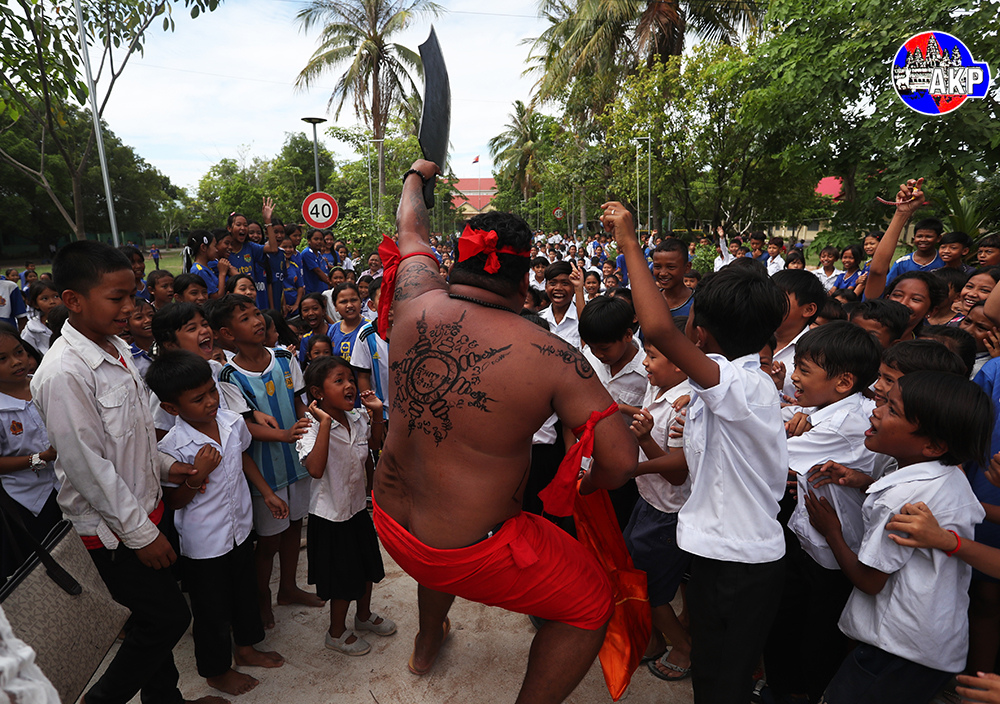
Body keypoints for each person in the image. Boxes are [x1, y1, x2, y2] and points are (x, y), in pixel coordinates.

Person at [372, 161, 637, 700]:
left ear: (456, 263)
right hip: (470, 550)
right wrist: (584, 485)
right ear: (524, 282)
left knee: (438, 547)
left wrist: (414, 177)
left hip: (392, 524)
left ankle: (427, 641)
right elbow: (621, 462)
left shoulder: (414, 295)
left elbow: (411, 228)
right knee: (590, 604)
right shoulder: (554, 356)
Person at [606, 200, 789, 703]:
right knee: (713, 670)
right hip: (721, 554)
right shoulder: (728, 386)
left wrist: (629, 242)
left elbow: (659, 329)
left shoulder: (738, 384)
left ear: (699, 334)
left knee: (722, 681)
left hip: (741, 563)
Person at [31, 241, 218, 704]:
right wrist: (141, 536)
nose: (130, 308)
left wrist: (167, 466)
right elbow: (88, 467)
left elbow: (131, 437)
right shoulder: (64, 373)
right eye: (117, 298)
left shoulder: (116, 349)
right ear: (73, 300)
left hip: (145, 509)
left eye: (132, 296)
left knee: (147, 620)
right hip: (112, 533)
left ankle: (165, 700)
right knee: (167, 619)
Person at [805, 371, 989, 704]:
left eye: (892, 410)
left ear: (932, 445)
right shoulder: (949, 477)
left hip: (896, 649)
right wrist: (865, 481)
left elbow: (870, 581)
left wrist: (832, 532)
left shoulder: (901, 500)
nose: (876, 411)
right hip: (930, 645)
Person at [147, 351, 286, 695]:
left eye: (212, 391)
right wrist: (197, 477)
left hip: (239, 527)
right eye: (198, 399)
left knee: (244, 592)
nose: (211, 401)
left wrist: (267, 493)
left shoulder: (232, 422)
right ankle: (216, 671)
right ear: (171, 408)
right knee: (212, 609)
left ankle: (246, 648)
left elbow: (242, 457)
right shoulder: (172, 447)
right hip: (205, 542)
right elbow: (173, 502)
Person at [761, 322, 882, 704]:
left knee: (816, 634)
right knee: (789, 618)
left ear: (843, 382)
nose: (794, 377)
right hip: (810, 538)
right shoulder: (828, 408)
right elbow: (790, 419)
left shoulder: (846, 424)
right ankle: (785, 688)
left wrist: (791, 432)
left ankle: (804, 693)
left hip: (833, 550)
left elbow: (769, 457)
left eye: (804, 370)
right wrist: (793, 421)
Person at [214, 294, 320, 629]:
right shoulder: (229, 376)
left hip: (296, 462)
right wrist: (286, 435)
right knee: (269, 540)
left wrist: (306, 429)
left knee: (294, 526)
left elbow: (299, 402)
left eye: (256, 313)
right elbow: (243, 426)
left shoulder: (284, 359)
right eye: (245, 318)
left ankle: (288, 588)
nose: (257, 321)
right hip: (264, 470)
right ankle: (263, 597)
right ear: (227, 333)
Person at [298, 356, 394, 655]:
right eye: (339, 381)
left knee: (366, 568)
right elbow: (315, 469)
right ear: (318, 392)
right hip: (330, 517)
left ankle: (363, 617)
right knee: (343, 579)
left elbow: (374, 445)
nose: (349, 385)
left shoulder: (357, 418)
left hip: (356, 509)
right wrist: (325, 423)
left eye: (350, 379)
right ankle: (336, 633)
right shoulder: (310, 427)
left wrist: (376, 413)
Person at [623, 320, 694, 683]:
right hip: (648, 500)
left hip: (667, 512)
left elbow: (678, 473)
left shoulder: (683, 408)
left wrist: (643, 444)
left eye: (651, 356)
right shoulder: (660, 386)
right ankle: (652, 641)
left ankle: (683, 646)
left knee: (653, 591)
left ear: (679, 363)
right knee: (635, 573)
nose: (645, 363)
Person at [0, 326, 58, 581]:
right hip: (29, 499)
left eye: (19, 352)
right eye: (2, 359)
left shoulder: (45, 383)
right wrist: (40, 459)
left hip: (68, 485)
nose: (16, 362)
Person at [771, 270, 827, 400]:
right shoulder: (752, 338)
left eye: (778, 298)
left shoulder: (817, 353)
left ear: (808, 309)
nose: (769, 303)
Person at [224, 202, 280, 311]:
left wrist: (267, 221)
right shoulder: (224, 251)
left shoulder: (250, 247)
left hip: (251, 302)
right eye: (238, 225)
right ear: (229, 228)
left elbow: (273, 248)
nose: (243, 228)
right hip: (233, 304)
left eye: (245, 225)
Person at [885, 217, 945, 285]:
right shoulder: (902, 263)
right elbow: (889, 285)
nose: (923, 240)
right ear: (914, 238)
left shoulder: (944, 261)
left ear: (938, 238)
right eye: (919, 236)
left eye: (928, 236)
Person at [539, 261, 581, 347]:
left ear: (574, 288)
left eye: (565, 283)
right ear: (546, 287)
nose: (558, 288)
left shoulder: (581, 320)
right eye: (553, 283)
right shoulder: (540, 318)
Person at [650, 240, 693, 317]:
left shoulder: (698, 304)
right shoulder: (650, 302)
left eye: (671, 267)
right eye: (657, 267)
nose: (663, 273)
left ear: (687, 267)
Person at [185, 231, 230, 299]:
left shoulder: (206, 268)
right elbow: (217, 298)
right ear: (203, 248)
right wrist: (222, 273)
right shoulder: (200, 271)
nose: (216, 250)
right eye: (214, 246)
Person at [21, 282, 59, 355]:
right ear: (35, 304)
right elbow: (27, 351)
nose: (52, 302)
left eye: (56, 296)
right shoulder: (32, 328)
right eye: (45, 298)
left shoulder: (73, 320)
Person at [329, 282, 364, 362]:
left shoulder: (370, 328)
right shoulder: (333, 329)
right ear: (335, 306)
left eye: (354, 300)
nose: (350, 305)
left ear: (360, 301)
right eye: (343, 302)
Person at [127, 298, 155, 377]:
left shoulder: (169, 346)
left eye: (151, 315)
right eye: (139, 317)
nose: (148, 320)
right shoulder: (129, 357)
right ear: (126, 325)